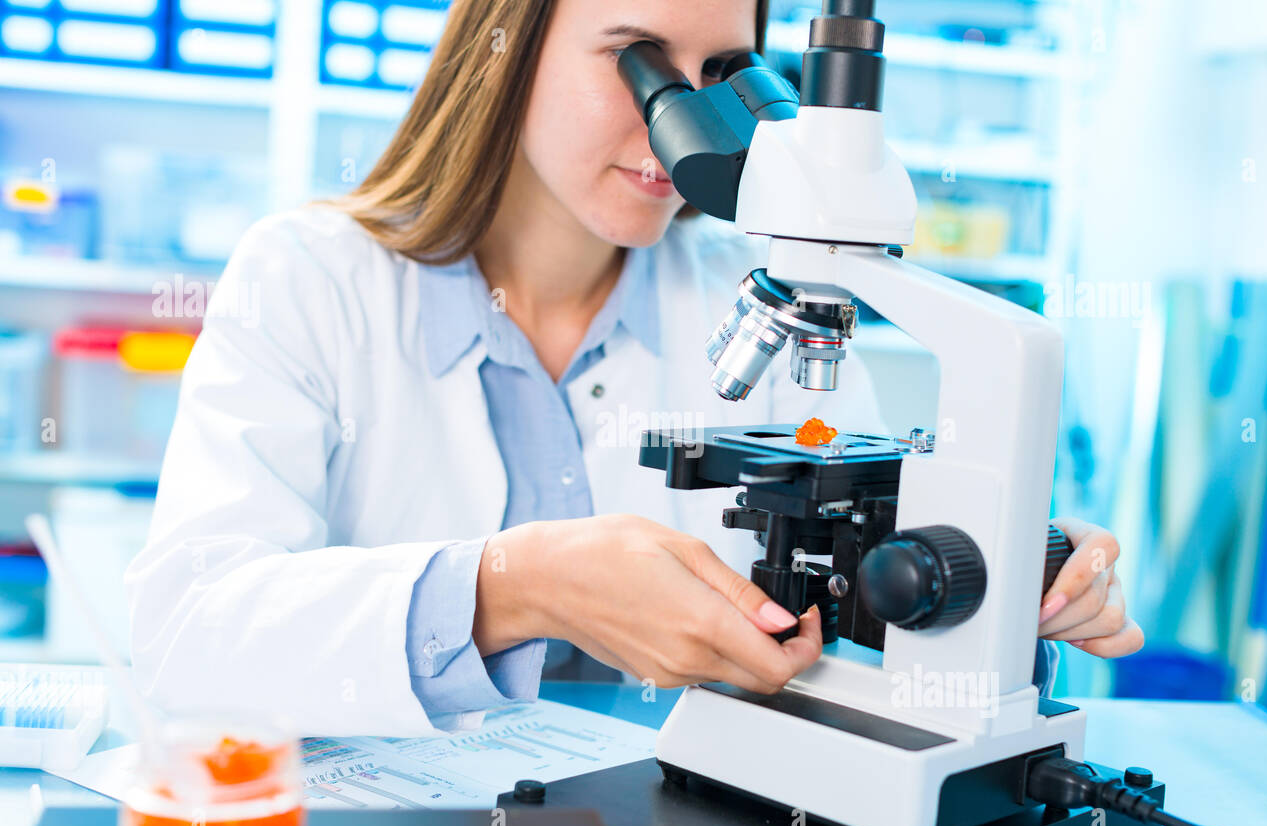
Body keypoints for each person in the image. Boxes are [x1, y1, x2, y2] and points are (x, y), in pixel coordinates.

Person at [125, 0, 1143, 737]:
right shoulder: (309, 278)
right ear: (507, 49)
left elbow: (852, 552)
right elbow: (185, 636)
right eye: (638, 61)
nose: (680, 128)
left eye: (718, 76)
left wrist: (1010, 566)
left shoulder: (763, 294)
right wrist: (513, 586)